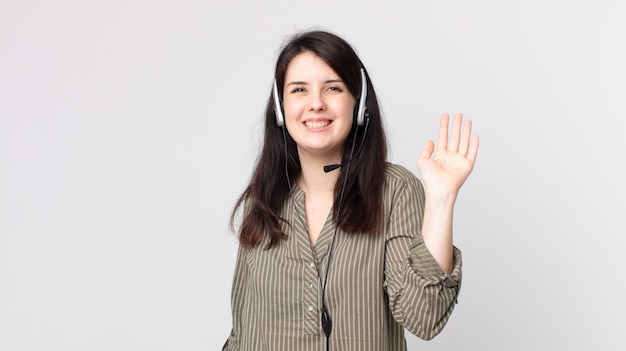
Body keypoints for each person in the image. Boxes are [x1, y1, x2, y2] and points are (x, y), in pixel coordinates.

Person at [222, 29, 479, 351]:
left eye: (333, 88)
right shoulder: (262, 199)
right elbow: (242, 333)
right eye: (299, 90)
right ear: (280, 107)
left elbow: (424, 318)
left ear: (357, 105)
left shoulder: (394, 191)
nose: (315, 103)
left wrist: (442, 197)